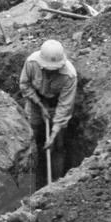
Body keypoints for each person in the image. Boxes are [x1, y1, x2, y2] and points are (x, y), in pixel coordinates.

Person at [19, 39, 77, 188]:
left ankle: (56, 183)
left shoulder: (69, 75)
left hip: (57, 103)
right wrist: (39, 104)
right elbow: (24, 85)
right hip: (35, 100)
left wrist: (53, 133)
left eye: (54, 69)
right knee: (30, 136)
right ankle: (30, 180)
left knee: (57, 143)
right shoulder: (32, 63)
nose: (50, 71)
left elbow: (65, 106)